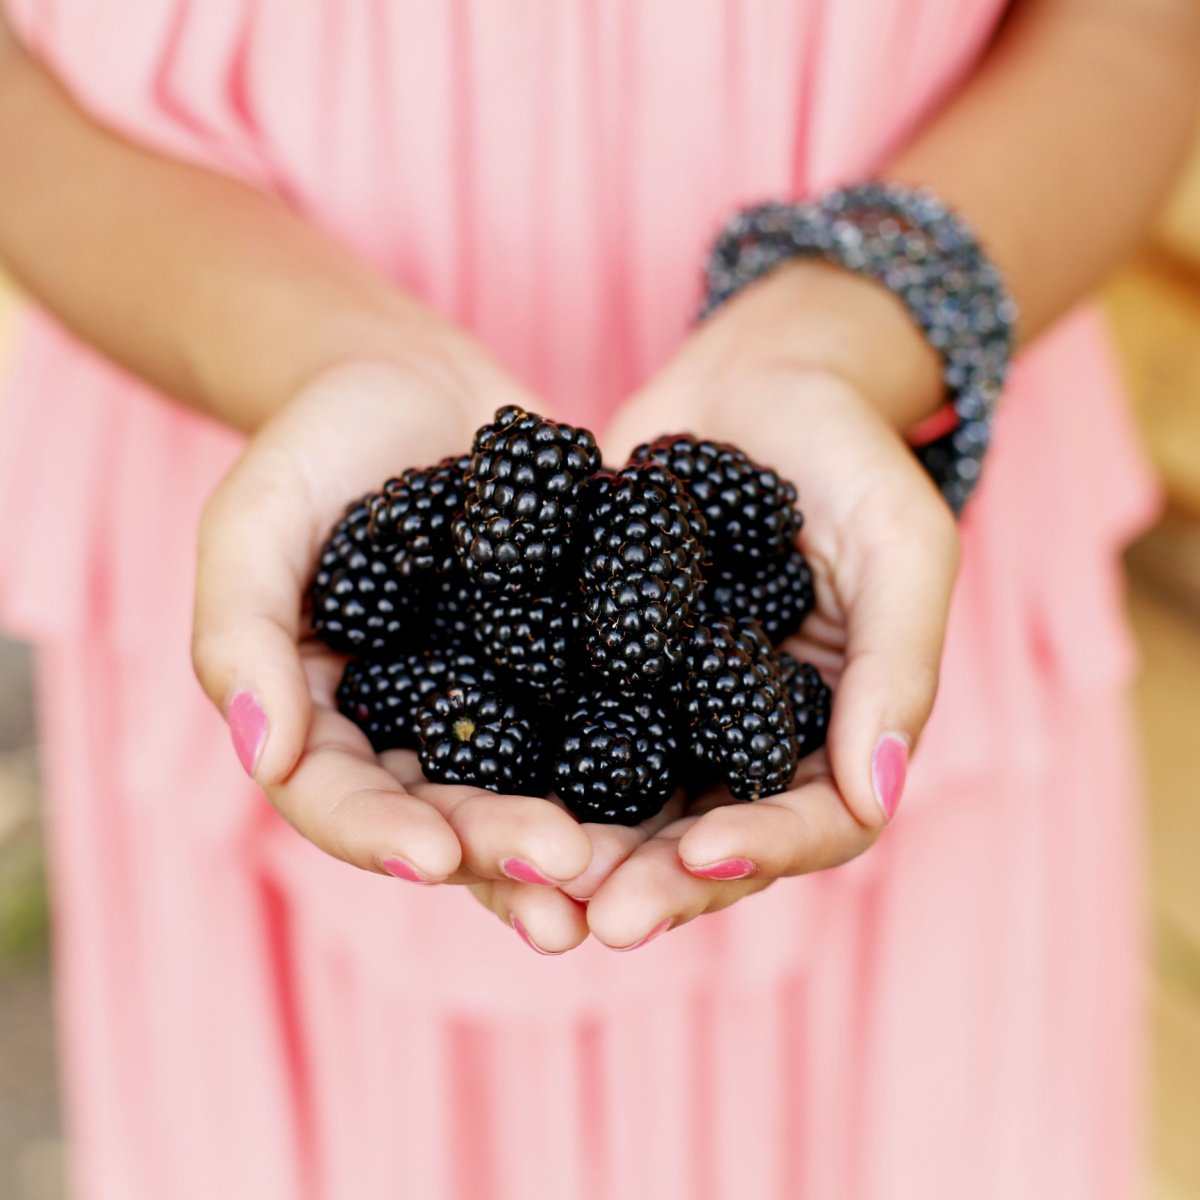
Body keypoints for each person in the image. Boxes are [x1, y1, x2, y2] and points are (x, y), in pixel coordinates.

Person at [0, 1, 1195, 1196]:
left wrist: (843, 341)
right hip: (227, 425)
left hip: (884, 500)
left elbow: (1140, 34)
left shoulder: (695, 592)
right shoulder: (490, 598)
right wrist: (295, 345)